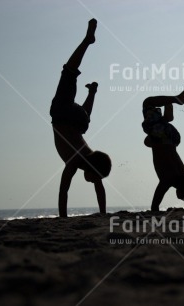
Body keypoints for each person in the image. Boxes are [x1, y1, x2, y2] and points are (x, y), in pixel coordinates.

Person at [50, 19, 111, 217]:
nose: (95, 181)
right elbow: (63, 190)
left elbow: (99, 187)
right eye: (96, 177)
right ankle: (87, 41)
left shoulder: (90, 155)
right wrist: (63, 218)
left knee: (84, 122)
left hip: (79, 120)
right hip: (61, 114)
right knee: (69, 72)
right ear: (94, 169)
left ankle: (92, 92)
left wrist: (103, 213)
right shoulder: (75, 162)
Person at [142, 85, 184, 211]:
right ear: (183, 189)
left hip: (172, 138)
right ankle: (176, 99)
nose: (183, 199)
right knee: (148, 102)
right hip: (161, 136)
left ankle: (168, 111)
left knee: (159, 128)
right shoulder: (168, 180)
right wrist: (154, 210)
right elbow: (155, 204)